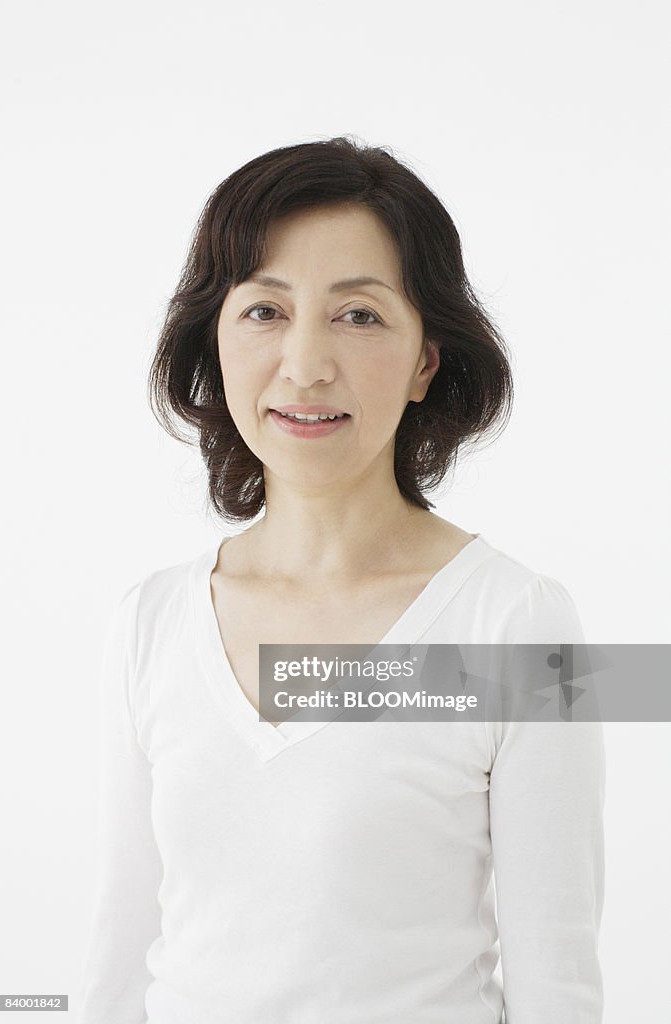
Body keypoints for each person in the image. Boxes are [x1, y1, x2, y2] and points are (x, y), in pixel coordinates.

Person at [77, 136, 605, 1024]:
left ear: (424, 361)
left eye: (358, 316)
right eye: (264, 311)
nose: (305, 364)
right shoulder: (152, 620)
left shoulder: (516, 622)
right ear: (217, 336)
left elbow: (558, 980)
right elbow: (116, 961)